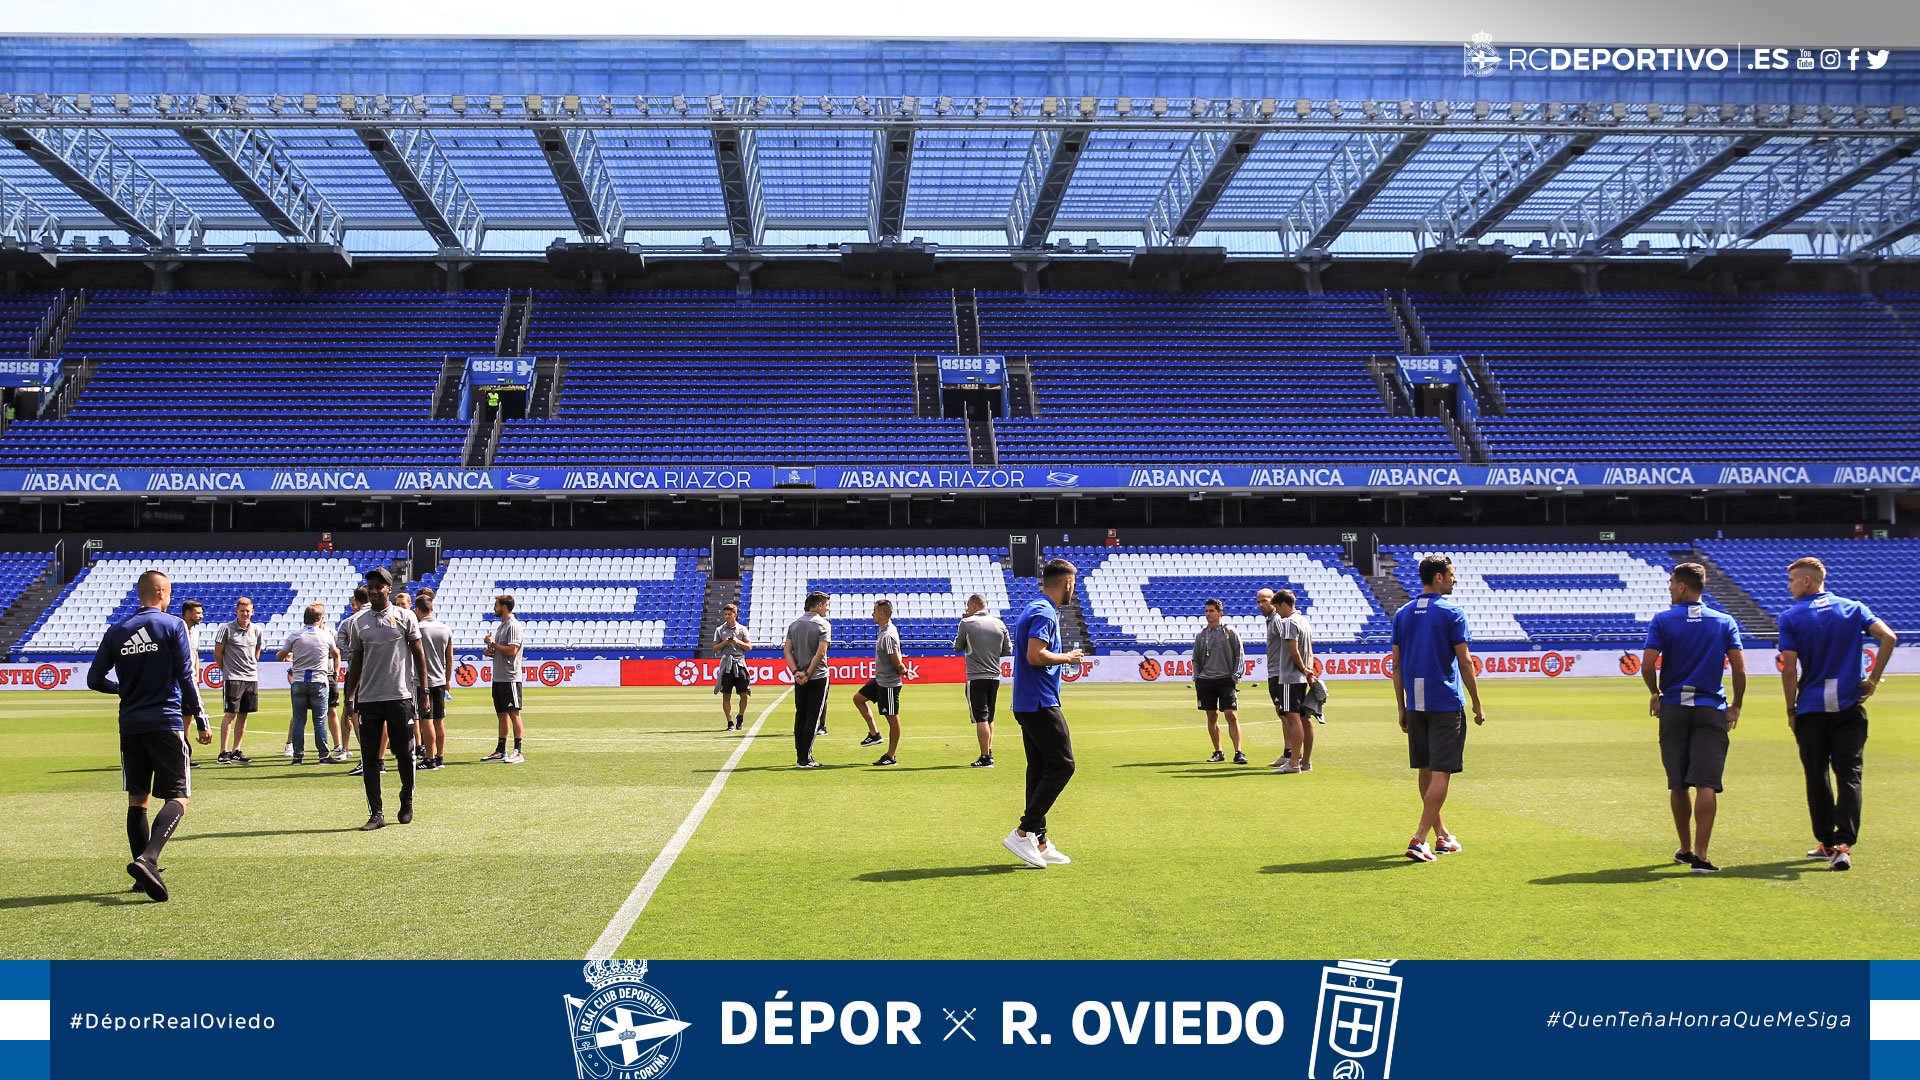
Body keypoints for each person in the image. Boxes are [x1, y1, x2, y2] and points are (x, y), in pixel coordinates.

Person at [88, 569, 211, 901]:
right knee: (179, 797)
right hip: (166, 721)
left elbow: (94, 679)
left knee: (137, 799)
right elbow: (187, 677)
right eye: (168, 593)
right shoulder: (173, 626)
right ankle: (149, 858)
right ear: (160, 593)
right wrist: (200, 719)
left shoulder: (117, 631)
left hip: (130, 724)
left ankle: (143, 878)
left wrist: (124, 689)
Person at [1777, 556, 1899, 872]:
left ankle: (1826, 842)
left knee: (1816, 776)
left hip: (1812, 710)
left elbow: (1789, 668)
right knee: (1849, 776)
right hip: (1848, 707)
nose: (1789, 587)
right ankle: (1844, 844)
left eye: (1791, 581)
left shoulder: (1791, 617)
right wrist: (1872, 680)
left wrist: (1791, 709)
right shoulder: (1853, 607)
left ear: (1805, 581)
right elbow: (1889, 637)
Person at [1641, 563, 1745, 874]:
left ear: (1683, 587)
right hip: (1710, 707)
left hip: (1674, 707)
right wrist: (1736, 705)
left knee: (1678, 783)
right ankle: (1701, 855)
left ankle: (1685, 848)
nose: (1670, 588)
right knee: (1707, 783)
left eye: (1672, 583)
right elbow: (1739, 670)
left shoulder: (1663, 620)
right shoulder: (1724, 621)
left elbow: (1647, 665)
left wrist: (1655, 692)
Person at [1389, 555, 1487, 862]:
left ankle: (1442, 835)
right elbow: (1466, 661)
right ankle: (1419, 839)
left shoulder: (1402, 614)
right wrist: (1478, 702)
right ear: (1439, 578)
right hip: (1444, 702)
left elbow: (1396, 665)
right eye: (1452, 574)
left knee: (1425, 769)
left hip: (1416, 703)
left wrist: (1401, 706)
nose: (1455, 579)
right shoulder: (1451, 612)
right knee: (1442, 771)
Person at [1002, 558, 1084, 869]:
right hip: (1040, 702)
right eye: (1072, 585)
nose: (1072, 591)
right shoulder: (1044, 612)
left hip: (1027, 701)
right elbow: (1035, 655)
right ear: (1067, 583)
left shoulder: (1033, 607)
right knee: (1063, 765)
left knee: (1039, 769)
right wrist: (1069, 657)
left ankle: (1039, 840)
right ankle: (1024, 830)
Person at [342, 567, 427, 830]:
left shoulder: (405, 617)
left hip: (399, 696)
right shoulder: (359, 622)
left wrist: (423, 692)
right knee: (370, 758)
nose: (375, 590)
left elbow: (419, 655)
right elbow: (355, 663)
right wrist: (349, 698)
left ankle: (407, 798)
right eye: (371, 586)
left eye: (380, 586)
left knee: (404, 753)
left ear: (390, 589)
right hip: (369, 699)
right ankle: (376, 813)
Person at [1258, 588, 1318, 773]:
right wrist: (1309, 671)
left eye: (1276, 606)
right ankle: (1305, 761)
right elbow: (1308, 647)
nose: (1277, 611)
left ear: (1283, 605)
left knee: (1292, 718)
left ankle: (1293, 762)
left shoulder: (1289, 622)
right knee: (1303, 718)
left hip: (1289, 676)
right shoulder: (1304, 621)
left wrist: (1303, 669)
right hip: (1299, 676)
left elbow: (1293, 651)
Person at [276, 603, 339, 765]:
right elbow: (336, 653)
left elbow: (280, 656)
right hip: (319, 681)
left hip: (299, 681)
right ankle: (323, 755)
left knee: (299, 720)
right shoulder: (325, 635)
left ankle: (298, 756)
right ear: (320, 618)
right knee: (319, 720)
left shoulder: (295, 635)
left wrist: (292, 656)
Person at [954, 593, 1012, 768]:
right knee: (989, 717)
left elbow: (957, 647)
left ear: (972, 606)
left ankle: (985, 757)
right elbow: (1007, 650)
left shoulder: (966, 623)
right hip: (994, 676)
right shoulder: (1000, 623)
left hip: (975, 676)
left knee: (981, 718)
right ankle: (989, 750)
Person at [1192, 598, 1246, 764]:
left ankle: (1238, 752)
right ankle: (1218, 751)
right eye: (1206, 611)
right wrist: (1198, 676)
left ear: (1220, 613)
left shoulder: (1230, 632)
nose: (1208, 614)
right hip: (1206, 681)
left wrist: (1236, 676)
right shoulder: (1201, 635)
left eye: (1211, 611)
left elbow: (1239, 654)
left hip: (1225, 680)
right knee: (1211, 716)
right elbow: (1196, 658)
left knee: (1231, 715)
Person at [854, 599, 905, 765]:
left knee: (892, 718)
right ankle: (874, 734)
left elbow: (895, 659)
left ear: (881, 614)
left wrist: (903, 670)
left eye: (874, 611)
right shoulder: (885, 630)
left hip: (888, 684)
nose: (872, 614)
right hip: (880, 680)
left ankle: (891, 756)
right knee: (858, 699)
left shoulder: (888, 635)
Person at [213, 597, 264, 764]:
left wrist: (252, 663)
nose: (245, 613)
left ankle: (236, 750)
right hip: (233, 678)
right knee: (230, 714)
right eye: (242, 610)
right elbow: (218, 653)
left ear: (252, 612)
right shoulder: (226, 629)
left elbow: (258, 648)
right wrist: (226, 669)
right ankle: (223, 751)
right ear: (236, 611)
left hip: (250, 677)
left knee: (244, 714)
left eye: (248, 610)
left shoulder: (257, 630)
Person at [784, 592, 832, 768]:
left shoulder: (794, 624)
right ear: (819, 605)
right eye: (826, 605)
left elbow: (787, 651)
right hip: (817, 676)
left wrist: (797, 671)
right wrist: (809, 673)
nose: (827, 608)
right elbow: (821, 653)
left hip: (799, 677)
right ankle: (806, 758)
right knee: (813, 716)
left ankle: (800, 755)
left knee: (800, 715)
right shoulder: (823, 625)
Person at [483, 594, 525, 764]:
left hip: (510, 677)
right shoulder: (502, 626)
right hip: (499, 677)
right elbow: (503, 650)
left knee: (513, 713)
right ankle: (501, 750)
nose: (495, 608)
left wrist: (493, 644)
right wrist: (491, 651)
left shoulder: (513, 625)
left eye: (497, 605)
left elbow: (511, 651)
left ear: (504, 607)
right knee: (501, 714)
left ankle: (518, 751)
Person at [415, 591, 454, 770]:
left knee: (426, 720)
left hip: (423, 681)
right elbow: (450, 657)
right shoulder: (445, 628)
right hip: (439, 679)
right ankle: (440, 756)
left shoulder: (419, 629)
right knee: (439, 720)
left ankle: (429, 758)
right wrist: (447, 680)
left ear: (418, 609)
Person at [332, 586, 366, 764]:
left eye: (354, 603)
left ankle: (351, 749)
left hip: (355, 672)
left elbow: (340, 644)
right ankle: (355, 749)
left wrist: (353, 654)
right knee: (353, 712)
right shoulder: (350, 622)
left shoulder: (349, 622)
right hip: (370, 673)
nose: (353, 606)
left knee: (350, 710)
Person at [713, 602, 752, 731]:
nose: (727, 616)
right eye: (725, 614)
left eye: (730, 614)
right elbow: (715, 648)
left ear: (735, 614)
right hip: (726, 664)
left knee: (744, 694)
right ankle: (729, 723)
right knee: (726, 695)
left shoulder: (742, 629)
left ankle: (740, 717)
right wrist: (725, 642)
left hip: (740, 663)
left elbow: (749, 647)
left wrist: (737, 641)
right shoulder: (719, 630)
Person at [180, 599, 205, 769]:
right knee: (178, 718)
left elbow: (194, 654)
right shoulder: (177, 629)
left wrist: (196, 675)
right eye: (198, 613)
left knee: (187, 718)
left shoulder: (195, 633)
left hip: (191, 679)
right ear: (188, 613)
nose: (201, 616)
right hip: (178, 680)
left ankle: (185, 754)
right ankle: (179, 754)